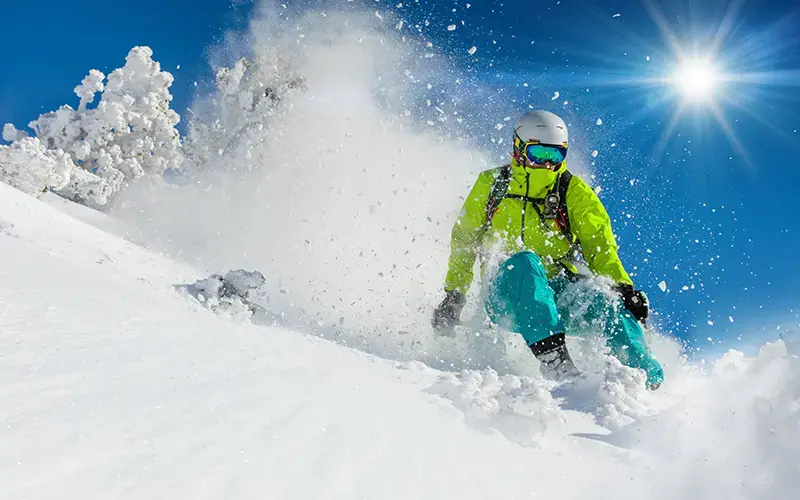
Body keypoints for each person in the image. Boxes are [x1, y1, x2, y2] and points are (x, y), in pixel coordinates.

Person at [432, 110, 664, 389]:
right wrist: (455, 295)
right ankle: (556, 361)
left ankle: (645, 380)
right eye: (538, 154)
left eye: (555, 156)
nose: (546, 164)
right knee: (525, 262)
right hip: (505, 295)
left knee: (608, 302)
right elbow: (464, 241)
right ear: (518, 149)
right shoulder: (492, 184)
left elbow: (599, 246)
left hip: (558, 294)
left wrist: (623, 288)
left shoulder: (573, 191)